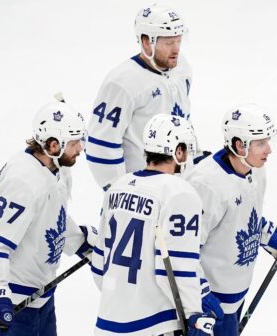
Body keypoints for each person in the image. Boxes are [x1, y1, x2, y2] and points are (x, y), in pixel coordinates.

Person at [0, 100, 97, 335]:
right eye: (75, 142)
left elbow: (53, 216)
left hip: (38, 289)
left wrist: (81, 242)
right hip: (11, 291)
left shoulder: (58, 169)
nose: (81, 148)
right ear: (54, 145)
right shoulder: (23, 182)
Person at [90, 114, 214, 336]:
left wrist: (122, 298)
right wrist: (193, 313)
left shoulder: (118, 186)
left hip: (108, 321)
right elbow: (178, 265)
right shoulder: (180, 193)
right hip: (154, 324)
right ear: (178, 151)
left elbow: (100, 262)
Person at [184, 104, 277, 336]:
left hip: (237, 293)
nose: (269, 150)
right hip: (211, 305)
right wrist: (202, 295)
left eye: (268, 141)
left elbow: (243, 216)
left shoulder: (256, 169)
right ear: (239, 145)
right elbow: (184, 248)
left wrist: (267, 235)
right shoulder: (205, 185)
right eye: (260, 143)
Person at [87, 4, 196, 192]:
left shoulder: (182, 69)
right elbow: (100, 144)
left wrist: (196, 158)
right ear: (147, 42)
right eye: (169, 43)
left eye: (178, 41)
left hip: (178, 187)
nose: (176, 49)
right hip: (141, 193)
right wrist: (120, 192)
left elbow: (183, 119)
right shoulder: (121, 83)